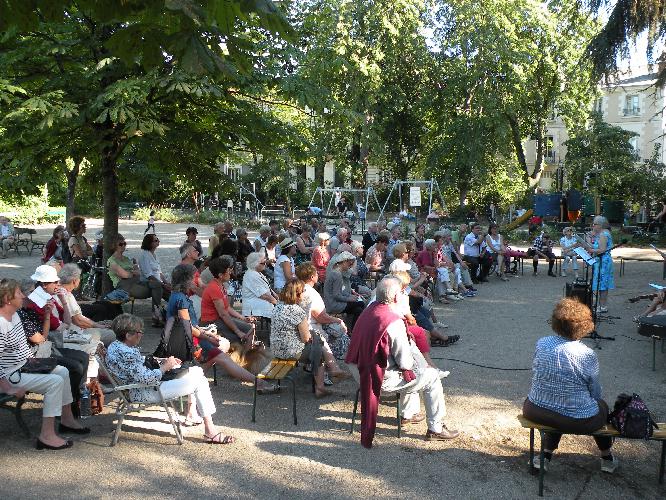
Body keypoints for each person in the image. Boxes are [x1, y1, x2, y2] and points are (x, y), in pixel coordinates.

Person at [345, 277, 460, 448]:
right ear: (396, 297)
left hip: (357, 370)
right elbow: (404, 362)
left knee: (413, 369)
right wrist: (418, 360)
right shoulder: (393, 321)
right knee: (430, 375)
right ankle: (435, 428)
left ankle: (409, 413)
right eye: (401, 292)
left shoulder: (368, 311)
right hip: (379, 379)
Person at [105, 313, 235, 444]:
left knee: (197, 371)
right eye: (139, 332)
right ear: (128, 335)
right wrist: (165, 367)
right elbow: (147, 379)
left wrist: (160, 360)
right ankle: (209, 431)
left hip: (137, 388)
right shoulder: (128, 353)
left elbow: (136, 364)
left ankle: (193, 415)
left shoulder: (115, 346)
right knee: (200, 381)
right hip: (144, 391)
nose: (141, 334)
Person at [522, 298, 618, 473]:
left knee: (559, 406)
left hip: (534, 408)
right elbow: (595, 393)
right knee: (601, 406)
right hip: (575, 419)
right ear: (585, 325)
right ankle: (607, 457)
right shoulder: (587, 354)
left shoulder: (542, 343)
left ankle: (545, 455)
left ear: (556, 322)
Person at [0, 278, 89, 450]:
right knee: (54, 382)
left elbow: (21, 346)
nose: (23, 296)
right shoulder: (1, 323)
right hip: (9, 375)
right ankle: (46, 436)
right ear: (7, 299)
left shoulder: (15, 315)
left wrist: (34, 361)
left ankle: (66, 419)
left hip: (23, 366)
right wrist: (7, 387)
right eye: (19, 293)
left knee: (62, 371)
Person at [164, 264, 277, 393]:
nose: (196, 281)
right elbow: (188, 328)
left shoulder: (178, 296)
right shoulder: (181, 299)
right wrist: (208, 337)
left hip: (187, 338)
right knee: (221, 355)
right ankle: (258, 382)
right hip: (185, 342)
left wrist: (207, 333)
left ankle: (193, 381)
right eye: (193, 278)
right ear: (187, 280)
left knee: (221, 349)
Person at [18, 279, 90, 417]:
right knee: (75, 367)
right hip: (35, 354)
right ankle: (68, 407)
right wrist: (46, 315)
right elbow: (42, 339)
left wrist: (49, 313)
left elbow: (47, 336)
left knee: (83, 357)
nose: (35, 295)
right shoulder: (25, 311)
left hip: (43, 347)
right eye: (32, 292)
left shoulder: (35, 307)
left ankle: (76, 399)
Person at [270, 279, 349, 398]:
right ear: (298, 294)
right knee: (318, 349)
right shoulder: (298, 311)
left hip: (276, 349)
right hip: (291, 352)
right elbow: (306, 338)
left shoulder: (278, 306)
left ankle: (331, 371)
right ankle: (321, 387)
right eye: (303, 292)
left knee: (317, 338)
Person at [25, 265, 102, 380]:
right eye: (55, 282)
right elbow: (61, 327)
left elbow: (67, 321)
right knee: (92, 346)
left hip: (58, 336)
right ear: (44, 284)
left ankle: (90, 384)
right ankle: (88, 385)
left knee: (95, 344)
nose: (58, 284)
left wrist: (63, 300)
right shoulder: (39, 301)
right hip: (54, 341)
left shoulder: (47, 296)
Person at [296, 263, 350, 360]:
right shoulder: (310, 293)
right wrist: (338, 321)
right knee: (341, 331)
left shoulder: (297, 289)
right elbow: (321, 317)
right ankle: (334, 360)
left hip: (301, 329)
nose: (318, 275)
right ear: (312, 277)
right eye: (317, 273)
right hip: (310, 330)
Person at [107, 234, 163, 326]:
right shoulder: (112, 261)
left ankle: (157, 314)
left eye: (124, 244)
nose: (123, 246)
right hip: (124, 286)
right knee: (158, 289)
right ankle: (158, 315)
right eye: (120, 244)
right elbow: (125, 275)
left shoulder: (126, 259)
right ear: (114, 246)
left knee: (158, 285)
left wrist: (133, 271)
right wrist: (133, 271)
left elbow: (138, 271)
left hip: (138, 282)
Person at [56, 264, 115, 346]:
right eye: (79, 278)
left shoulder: (64, 291)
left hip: (75, 329)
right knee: (114, 335)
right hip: (76, 332)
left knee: (110, 322)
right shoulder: (64, 294)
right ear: (74, 281)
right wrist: (98, 326)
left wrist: (98, 324)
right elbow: (78, 321)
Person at [200, 256, 254, 343]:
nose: (231, 272)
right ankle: (244, 355)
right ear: (220, 275)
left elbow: (227, 307)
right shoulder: (214, 288)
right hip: (211, 323)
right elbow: (223, 314)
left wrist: (242, 318)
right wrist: (237, 331)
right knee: (245, 333)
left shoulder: (221, 285)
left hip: (218, 320)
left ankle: (245, 354)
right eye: (228, 270)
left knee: (249, 328)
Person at [323, 251, 365, 328]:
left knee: (358, 309)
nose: (350, 267)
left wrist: (351, 296)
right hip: (333, 304)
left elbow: (339, 291)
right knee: (361, 303)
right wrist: (350, 298)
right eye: (350, 264)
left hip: (332, 302)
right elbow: (336, 295)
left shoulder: (335, 271)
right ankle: (354, 329)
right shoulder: (337, 274)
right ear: (344, 262)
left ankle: (352, 329)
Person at [583, 215, 615, 312]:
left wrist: (590, 249)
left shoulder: (603, 234)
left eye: (595, 224)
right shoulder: (603, 233)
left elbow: (602, 250)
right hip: (602, 260)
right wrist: (588, 242)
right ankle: (601, 305)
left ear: (600, 225)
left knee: (602, 285)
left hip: (603, 261)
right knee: (602, 284)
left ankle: (602, 306)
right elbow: (598, 246)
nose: (593, 226)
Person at [138, 233, 171, 324]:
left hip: (157, 281)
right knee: (159, 287)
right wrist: (163, 284)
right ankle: (156, 315)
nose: (158, 241)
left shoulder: (155, 255)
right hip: (148, 282)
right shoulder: (144, 255)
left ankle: (169, 313)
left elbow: (159, 272)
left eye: (158, 240)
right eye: (156, 240)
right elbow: (148, 275)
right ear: (149, 243)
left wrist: (166, 282)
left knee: (172, 293)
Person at [241, 252, 277, 319]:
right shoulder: (252, 275)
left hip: (260, 305)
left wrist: (278, 298)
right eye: (263, 263)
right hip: (255, 307)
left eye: (265, 262)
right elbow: (264, 295)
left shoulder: (257, 273)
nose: (265, 265)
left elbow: (269, 289)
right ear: (254, 264)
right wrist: (278, 304)